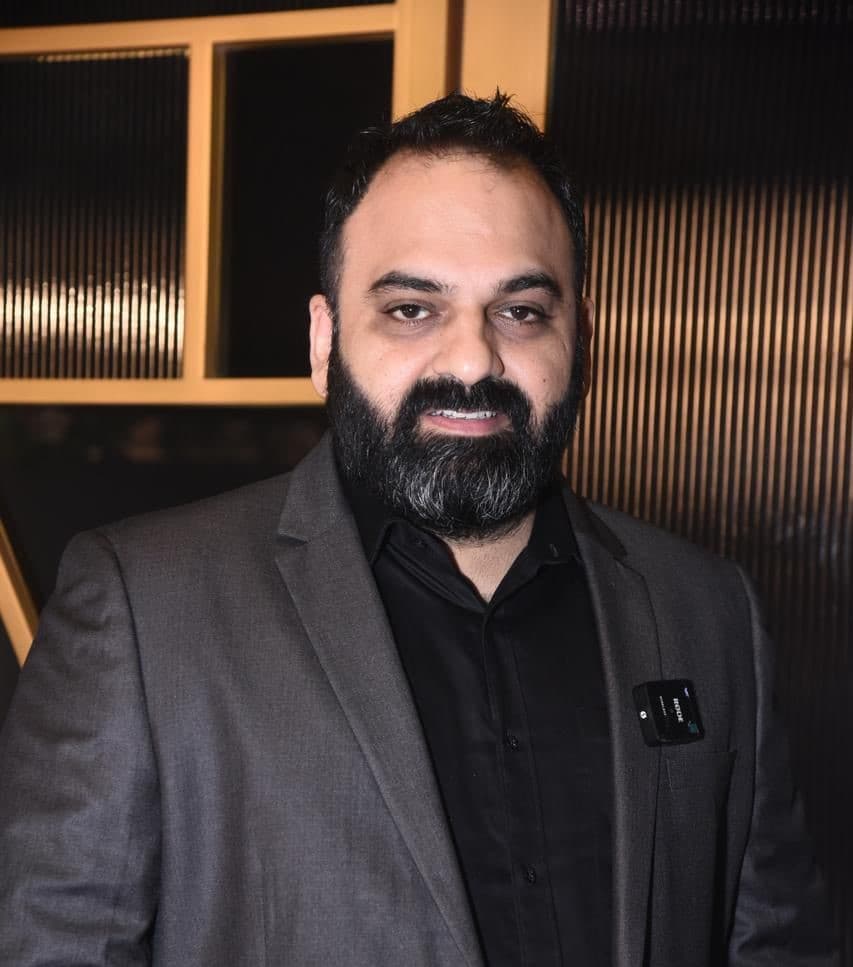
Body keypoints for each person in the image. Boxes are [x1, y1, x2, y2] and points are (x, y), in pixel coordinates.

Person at [0, 92, 837, 967]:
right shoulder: (145, 610)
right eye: (411, 308)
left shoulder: (706, 612)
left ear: (581, 337)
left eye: (520, 310)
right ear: (324, 340)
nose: (471, 358)